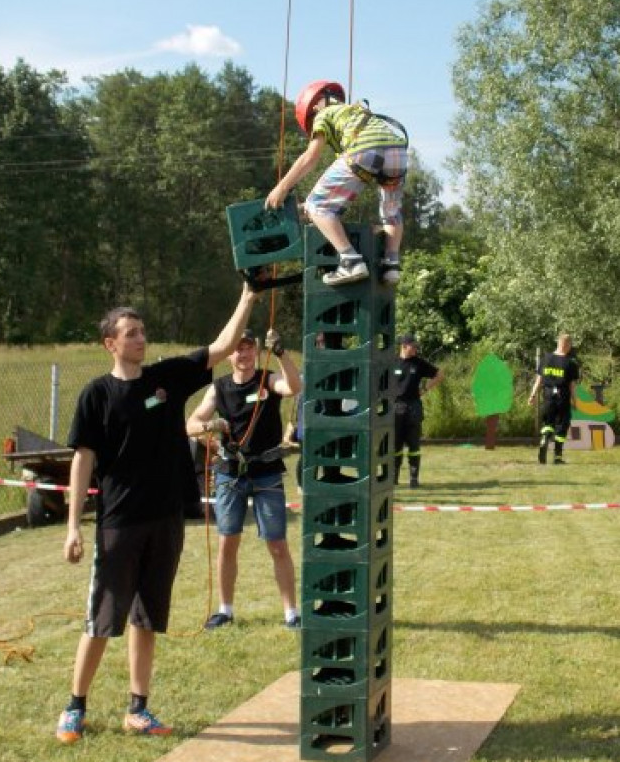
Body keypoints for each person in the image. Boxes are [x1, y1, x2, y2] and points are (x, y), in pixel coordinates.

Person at [55, 284, 258, 745]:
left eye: (142, 331)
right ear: (111, 343)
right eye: (131, 334)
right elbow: (82, 460)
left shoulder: (166, 379)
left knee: (147, 618)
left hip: (165, 520)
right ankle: (75, 707)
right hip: (118, 522)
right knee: (102, 620)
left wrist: (247, 296)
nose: (141, 339)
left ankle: (138, 708)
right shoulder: (97, 395)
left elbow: (223, 346)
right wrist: (72, 526)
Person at [186, 328, 303, 631]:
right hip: (229, 475)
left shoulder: (267, 378)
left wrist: (280, 353)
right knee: (228, 543)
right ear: (229, 356)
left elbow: (293, 386)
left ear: (256, 351)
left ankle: (292, 612)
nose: (244, 354)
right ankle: (225, 610)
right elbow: (191, 424)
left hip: (267, 472)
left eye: (249, 348)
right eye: (238, 349)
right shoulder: (219, 388)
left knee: (277, 544)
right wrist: (214, 424)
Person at [264, 79, 408, 287]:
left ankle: (350, 262)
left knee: (318, 205)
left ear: (313, 107)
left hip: (365, 149)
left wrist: (282, 187)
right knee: (391, 211)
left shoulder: (323, 114)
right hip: (398, 150)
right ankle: (391, 265)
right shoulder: (356, 112)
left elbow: (310, 157)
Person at [394, 333, 443, 488]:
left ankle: (414, 480)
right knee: (395, 446)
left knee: (414, 445)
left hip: (413, 407)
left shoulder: (419, 363)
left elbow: (439, 374)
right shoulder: (390, 363)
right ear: (404, 346)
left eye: (416, 346)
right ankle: (393, 479)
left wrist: (425, 388)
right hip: (395, 407)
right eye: (413, 346)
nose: (416, 349)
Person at [528, 333, 580, 465]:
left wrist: (532, 395)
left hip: (548, 395)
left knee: (548, 423)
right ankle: (557, 457)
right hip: (562, 396)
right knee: (562, 425)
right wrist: (575, 401)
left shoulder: (545, 359)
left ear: (558, 343)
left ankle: (544, 438)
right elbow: (572, 386)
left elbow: (538, 380)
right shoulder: (571, 362)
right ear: (567, 345)